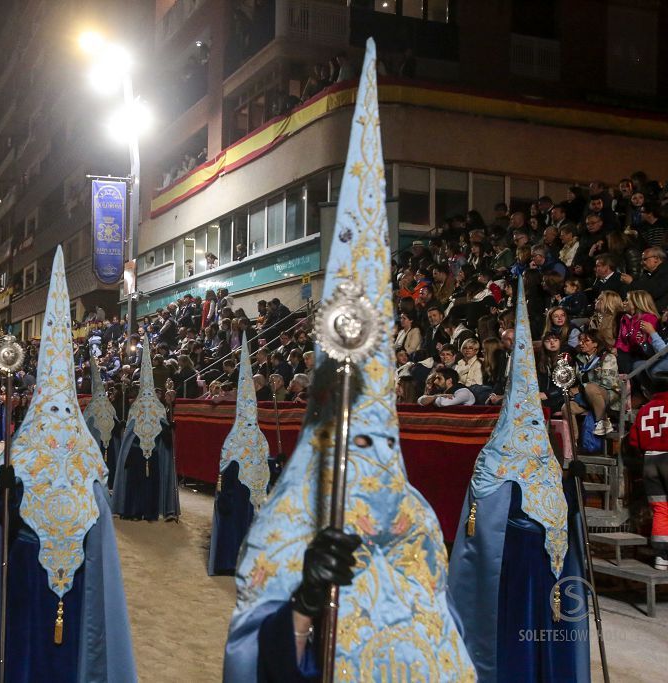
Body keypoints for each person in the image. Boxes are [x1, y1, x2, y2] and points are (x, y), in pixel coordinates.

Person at [224, 43, 474, 681]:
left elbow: (445, 634)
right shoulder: (288, 517)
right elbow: (252, 658)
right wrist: (305, 606)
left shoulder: (413, 515)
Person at [0, 247, 135, 680]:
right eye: (52, 410)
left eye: (66, 411)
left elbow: (102, 541)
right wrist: (2, 495)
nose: (60, 421)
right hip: (24, 577)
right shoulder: (22, 453)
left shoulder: (87, 458)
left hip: (79, 587)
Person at [447, 278, 589, 681]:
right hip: (509, 573)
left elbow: (564, 526)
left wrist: (571, 490)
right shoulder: (493, 461)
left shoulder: (515, 463)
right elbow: (478, 531)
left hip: (541, 572)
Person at [209, 334, 270, 576]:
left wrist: (275, 465)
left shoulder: (260, 438)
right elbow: (225, 468)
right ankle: (231, 559)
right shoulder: (232, 440)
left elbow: (264, 464)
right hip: (236, 494)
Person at [111, 335, 180, 521]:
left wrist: (168, 428)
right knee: (135, 483)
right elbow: (130, 432)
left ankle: (151, 511)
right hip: (136, 453)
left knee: (152, 484)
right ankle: (133, 510)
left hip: (154, 452)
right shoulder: (136, 408)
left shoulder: (158, 408)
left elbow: (164, 432)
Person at [629, 390, 668, 569]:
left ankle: (661, 557)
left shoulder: (645, 409)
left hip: (649, 460)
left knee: (660, 508)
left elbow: (634, 442)